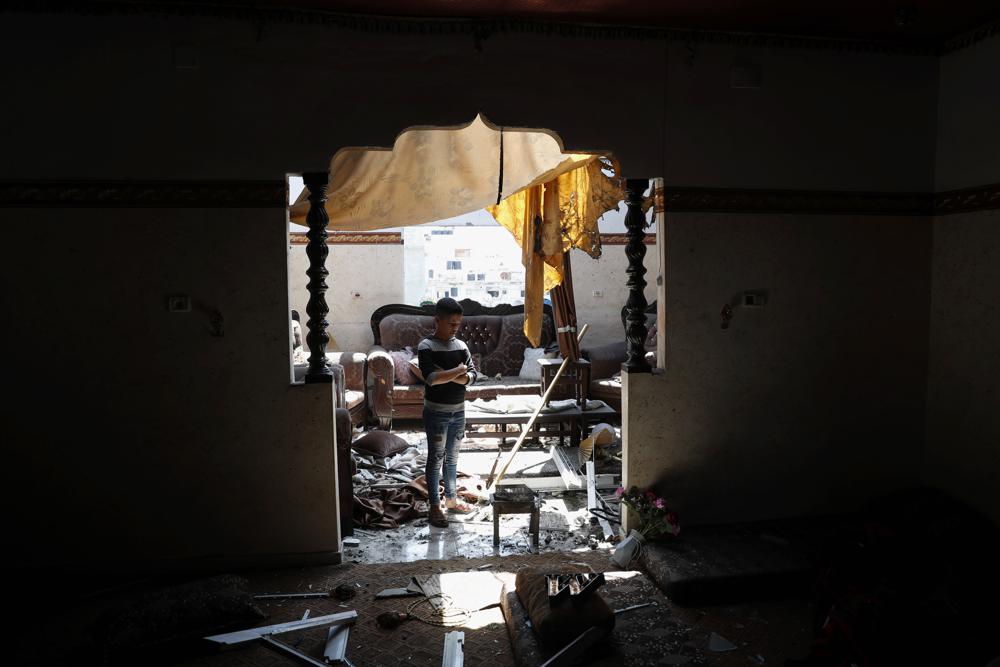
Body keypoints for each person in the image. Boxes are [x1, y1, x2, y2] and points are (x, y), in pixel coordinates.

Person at [418, 298, 479, 528]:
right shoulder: (426, 346)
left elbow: (472, 376)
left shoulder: (462, 346)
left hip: (458, 411)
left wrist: (450, 374)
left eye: (458, 323)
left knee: (452, 459)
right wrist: (459, 371)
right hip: (436, 413)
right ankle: (435, 507)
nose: (455, 328)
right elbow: (431, 380)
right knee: (436, 459)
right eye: (451, 323)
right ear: (437, 320)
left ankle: (451, 501)